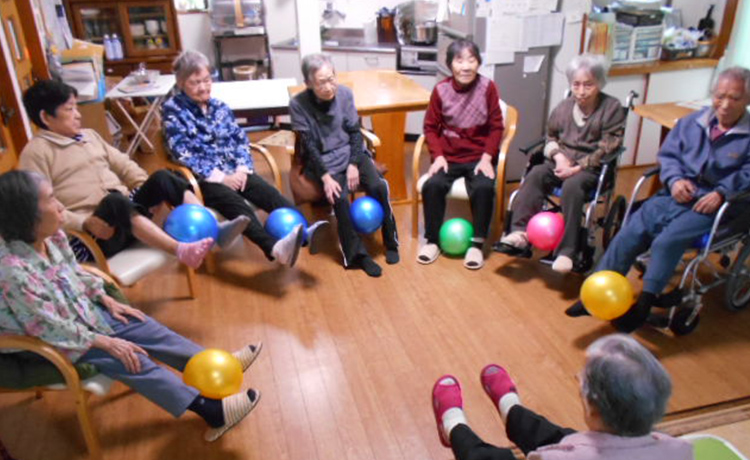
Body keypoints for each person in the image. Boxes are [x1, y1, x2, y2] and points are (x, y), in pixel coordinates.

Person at [0, 170, 264, 442]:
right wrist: (104, 341)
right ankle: (212, 412)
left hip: (75, 314)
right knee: (124, 357)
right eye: (52, 199)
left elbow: (74, 272)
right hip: (44, 338)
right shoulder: (12, 271)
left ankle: (213, 365)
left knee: (140, 324)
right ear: (27, 214)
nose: (60, 206)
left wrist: (104, 298)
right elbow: (45, 327)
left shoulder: (53, 236)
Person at [566, 66, 750, 331]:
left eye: (734, 98)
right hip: (675, 194)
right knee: (631, 230)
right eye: (719, 96)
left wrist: (721, 192)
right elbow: (669, 156)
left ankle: (644, 304)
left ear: (747, 100)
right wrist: (674, 179)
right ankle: (592, 295)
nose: (724, 104)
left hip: (713, 204)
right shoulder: (692, 122)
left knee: (666, 241)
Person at [18, 80, 249, 269]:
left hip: (127, 214)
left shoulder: (89, 136)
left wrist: (148, 191)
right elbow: (40, 209)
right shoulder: (36, 153)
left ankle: (213, 229)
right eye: (69, 109)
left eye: (77, 107)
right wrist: (84, 222)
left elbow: (126, 166)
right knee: (114, 201)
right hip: (95, 234)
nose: (78, 115)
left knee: (163, 177)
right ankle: (180, 250)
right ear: (46, 117)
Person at [163, 50, 325, 268]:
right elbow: (181, 152)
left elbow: (240, 139)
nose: (203, 87)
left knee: (270, 195)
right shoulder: (173, 110)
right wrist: (221, 178)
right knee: (239, 207)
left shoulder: (219, 106)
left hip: (235, 170)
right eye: (195, 83)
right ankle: (274, 249)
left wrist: (241, 168)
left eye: (206, 80)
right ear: (181, 83)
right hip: (205, 180)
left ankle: (304, 232)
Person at [431, 334, 693, 460]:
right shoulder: (678, 449)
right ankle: (511, 408)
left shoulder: (556, 459)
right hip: (599, 450)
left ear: (592, 411)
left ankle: (452, 425)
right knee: (565, 438)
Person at [494, 54, 625, 274]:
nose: (581, 91)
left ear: (600, 83)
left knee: (573, 186)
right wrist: (558, 157)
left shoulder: (611, 108)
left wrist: (577, 167)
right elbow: (551, 136)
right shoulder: (564, 107)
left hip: (591, 168)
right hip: (562, 162)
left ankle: (567, 251)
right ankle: (520, 234)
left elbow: (608, 146)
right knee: (536, 174)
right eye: (576, 84)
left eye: (588, 85)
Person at [288, 53, 400, 277]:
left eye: (332, 79)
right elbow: (309, 147)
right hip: (323, 161)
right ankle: (357, 256)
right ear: (308, 84)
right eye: (321, 82)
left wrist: (354, 164)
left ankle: (391, 242)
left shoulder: (346, 95)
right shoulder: (298, 104)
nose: (329, 87)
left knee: (378, 186)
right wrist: (326, 178)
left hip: (350, 154)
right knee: (338, 199)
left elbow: (355, 134)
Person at [418, 39, 504, 270]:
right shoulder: (441, 90)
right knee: (432, 185)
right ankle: (432, 241)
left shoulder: (488, 87)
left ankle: (476, 244)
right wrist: (437, 156)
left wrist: (487, 157)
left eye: (471, 60)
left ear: (478, 63)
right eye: (459, 60)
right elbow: (430, 127)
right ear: (450, 64)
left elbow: (497, 127)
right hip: (448, 155)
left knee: (485, 188)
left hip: (478, 156)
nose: (465, 66)